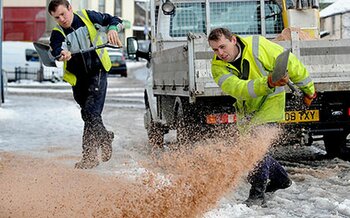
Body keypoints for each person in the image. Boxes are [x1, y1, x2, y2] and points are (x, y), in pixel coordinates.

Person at [207, 28, 316, 206]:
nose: (220, 53)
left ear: (233, 40)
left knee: (257, 150)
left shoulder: (257, 46)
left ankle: (257, 195)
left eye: (222, 46)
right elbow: (240, 90)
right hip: (246, 109)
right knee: (249, 154)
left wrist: (309, 91)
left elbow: (292, 64)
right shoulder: (217, 67)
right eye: (215, 50)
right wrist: (269, 81)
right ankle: (282, 181)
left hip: (270, 103)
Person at [48, 0, 124, 169]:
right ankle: (90, 157)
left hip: (97, 72)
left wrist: (112, 29)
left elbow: (114, 19)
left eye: (63, 14)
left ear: (70, 8)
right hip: (78, 79)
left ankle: (104, 139)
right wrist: (61, 54)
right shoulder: (57, 32)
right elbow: (54, 49)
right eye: (57, 17)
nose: (62, 19)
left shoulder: (88, 16)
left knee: (90, 111)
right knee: (88, 115)